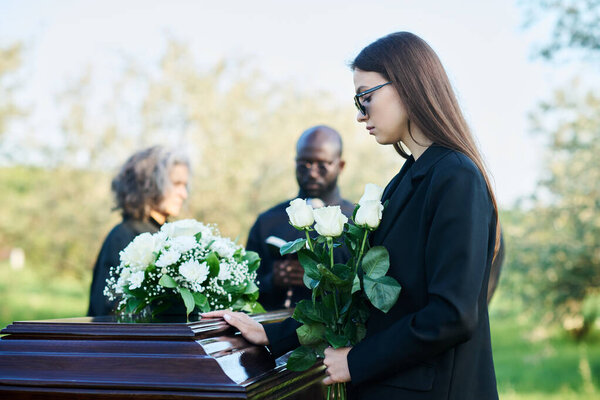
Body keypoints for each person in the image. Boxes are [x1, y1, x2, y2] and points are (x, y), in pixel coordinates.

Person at [204, 32, 501, 399]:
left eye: (366, 97)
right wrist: (271, 334)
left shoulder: (456, 176)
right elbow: (356, 294)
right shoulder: (404, 181)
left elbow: (452, 315)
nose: (360, 114)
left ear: (406, 85)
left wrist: (356, 361)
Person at [246, 125, 354, 310]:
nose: (312, 172)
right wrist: (273, 280)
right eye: (304, 164)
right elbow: (244, 288)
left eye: (322, 165)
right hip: (272, 331)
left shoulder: (356, 221)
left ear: (340, 165)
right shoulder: (268, 221)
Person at [87, 145, 190, 316]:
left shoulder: (168, 236)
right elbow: (110, 311)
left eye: (185, 185)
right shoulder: (122, 236)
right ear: (150, 184)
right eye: (176, 184)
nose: (184, 194)